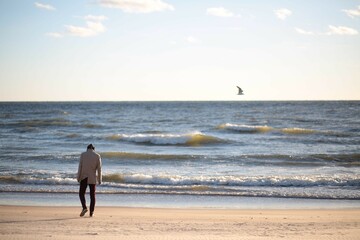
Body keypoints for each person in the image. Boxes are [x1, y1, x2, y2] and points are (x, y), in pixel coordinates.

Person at [77, 144, 102, 217]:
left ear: (87, 148)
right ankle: (91, 212)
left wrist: (78, 177)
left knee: (81, 193)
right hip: (92, 177)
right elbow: (99, 169)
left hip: (84, 177)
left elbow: (80, 167)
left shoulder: (83, 155)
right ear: (93, 149)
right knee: (92, 195)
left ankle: (84, 207)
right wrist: (99, 179)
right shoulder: (97, 156)